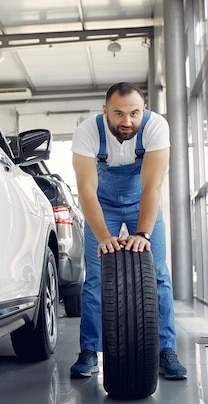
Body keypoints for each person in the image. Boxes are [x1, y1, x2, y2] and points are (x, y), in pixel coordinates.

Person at [70, 82, 187, 380]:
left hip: (141, 201)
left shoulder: (156, 127)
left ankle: (165, 351)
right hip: (102, 204)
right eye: (119, 113)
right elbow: (86, 190)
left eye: (134, 113)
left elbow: (153, 185)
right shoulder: (87, 132)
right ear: (105, 111)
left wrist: (144, 234)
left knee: (158, 273)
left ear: (143, 110)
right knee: (96, 276)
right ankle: (89, 351)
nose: (126, 121)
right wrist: (103, 237)